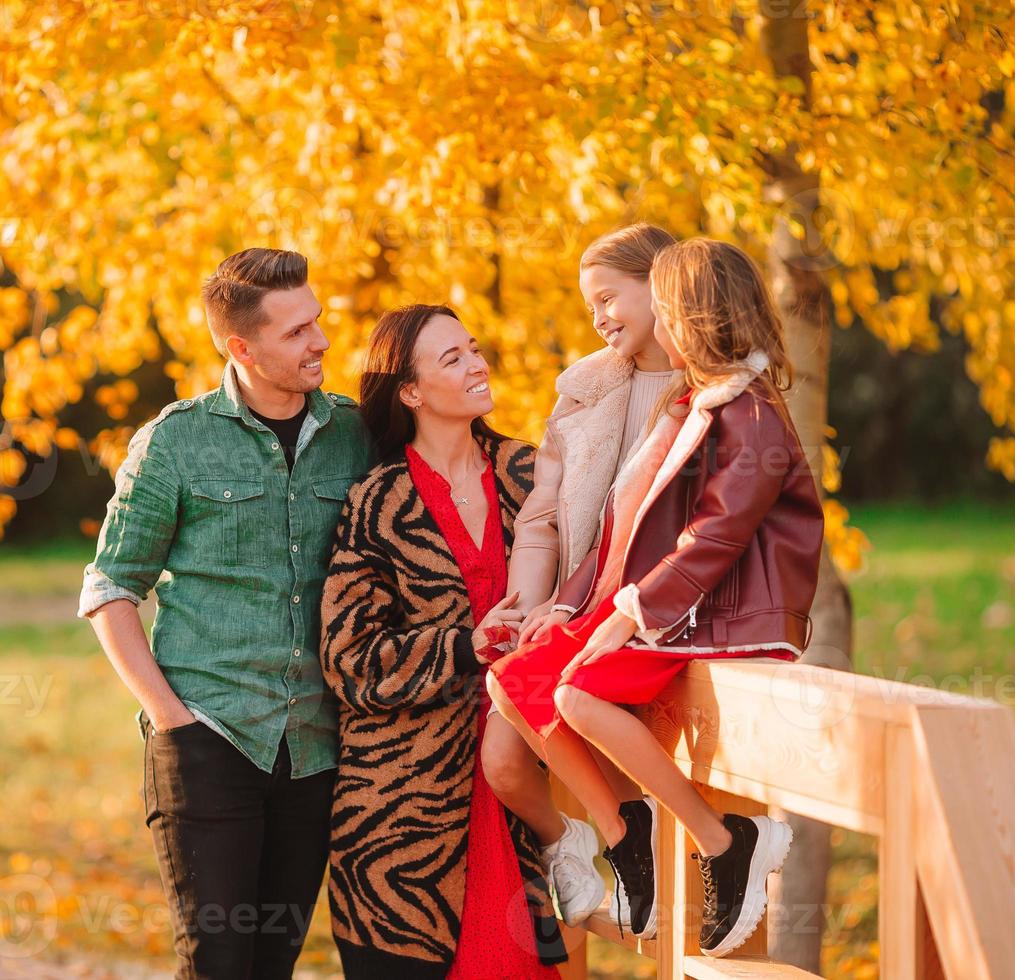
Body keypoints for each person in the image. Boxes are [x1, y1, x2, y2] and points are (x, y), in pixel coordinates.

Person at [488, 237, 825, 958]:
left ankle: (723, 840)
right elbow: (623, 530)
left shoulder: (749, 414)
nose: (656, 332)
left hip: (729, 619)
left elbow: (717, 536)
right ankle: (626, 835)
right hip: (681, 611)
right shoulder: (690, 408)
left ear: (691, 316)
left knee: (577, 694)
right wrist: (576, 607)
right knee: (517, 678)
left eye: (663, 313)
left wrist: (627, 615)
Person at [78, 248, 374, 978]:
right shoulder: (177, 440)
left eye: (318, 322)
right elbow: (110, 587)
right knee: (216, 963)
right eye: (298, 331)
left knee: (273, 962)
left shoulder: (356, 434)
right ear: (241, 347)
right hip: (210, 738)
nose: (321, 341)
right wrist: (173, 722)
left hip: (316, 746)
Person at [319, 304, 566, 978]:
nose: (477, 364)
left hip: (523, 793)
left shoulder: (532, 474)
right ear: (410, 391)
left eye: (475, 348)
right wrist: (464, 646)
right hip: (403, 828)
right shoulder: (376, 501)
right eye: (452, 358)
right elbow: (348, 663)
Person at [483, 223, 681, 929]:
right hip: (574, 605)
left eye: (608, 298)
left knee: (589, 720)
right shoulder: (584, 389)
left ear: (662, 283)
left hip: (655, 616)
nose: (599, 318)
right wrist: (532, 608)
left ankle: (653, 861)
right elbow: (542, 521)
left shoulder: (709, 388)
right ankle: (608, 839)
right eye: (588, 305)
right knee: (503, 750)